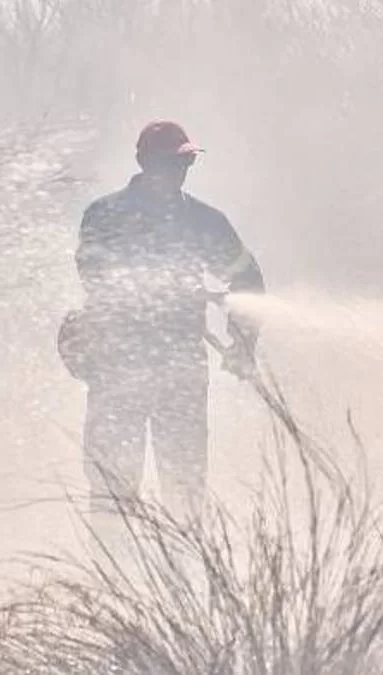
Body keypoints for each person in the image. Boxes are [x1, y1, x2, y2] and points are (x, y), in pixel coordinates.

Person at [59, 119, 265, 529]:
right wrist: (164, 292)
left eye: (184, 164)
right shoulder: (104, 215)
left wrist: (242, 343)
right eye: (169, 164)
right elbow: (97, 277)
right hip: (116, 371)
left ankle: (183, 562)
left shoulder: (204, 222)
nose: (177, 173)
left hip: (180, 373)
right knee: (112, 490)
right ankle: (112, 563)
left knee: (184, 488)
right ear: (144, 163)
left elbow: (246, 278)